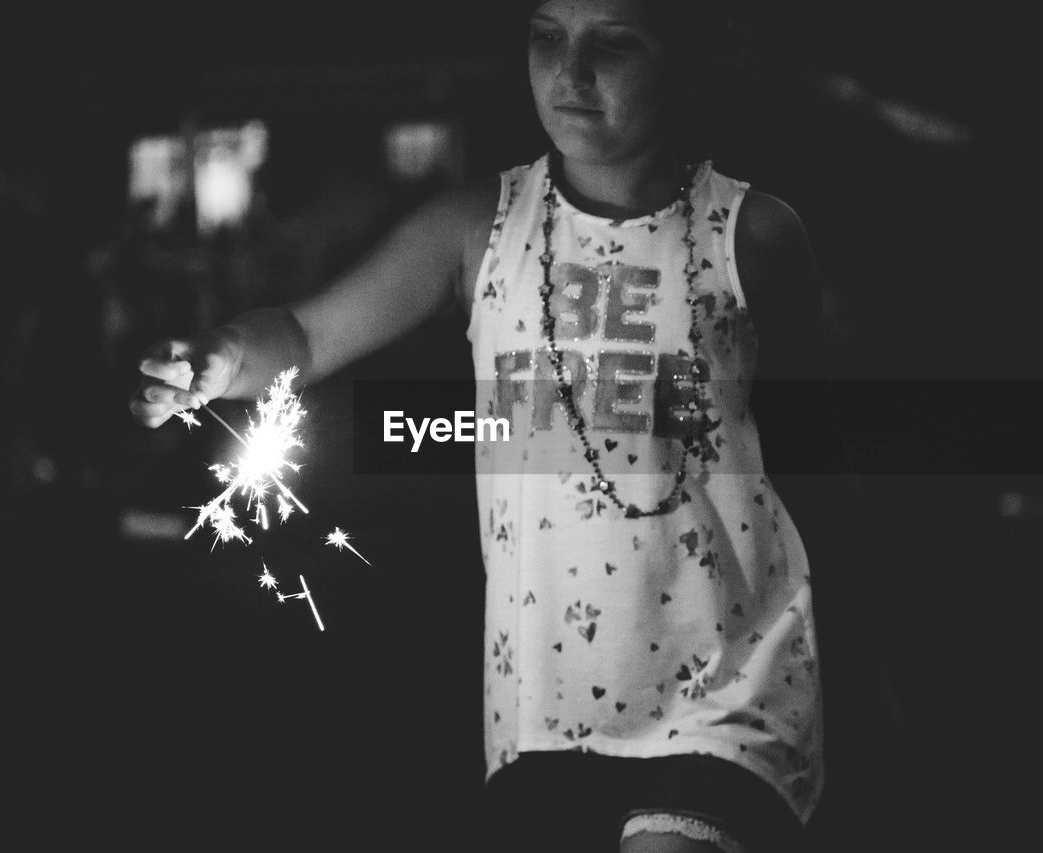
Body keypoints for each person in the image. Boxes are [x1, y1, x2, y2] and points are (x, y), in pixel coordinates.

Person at [132, 2, 875, 849]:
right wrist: (222, 359)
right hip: (542, 712)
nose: (573, 70)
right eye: (548, 36)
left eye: (615, 42)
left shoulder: (755, 237)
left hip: (728, 693)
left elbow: (817, 463)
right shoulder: (481, 230)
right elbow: (307, 333)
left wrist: (861, 663)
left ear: (689, 60)